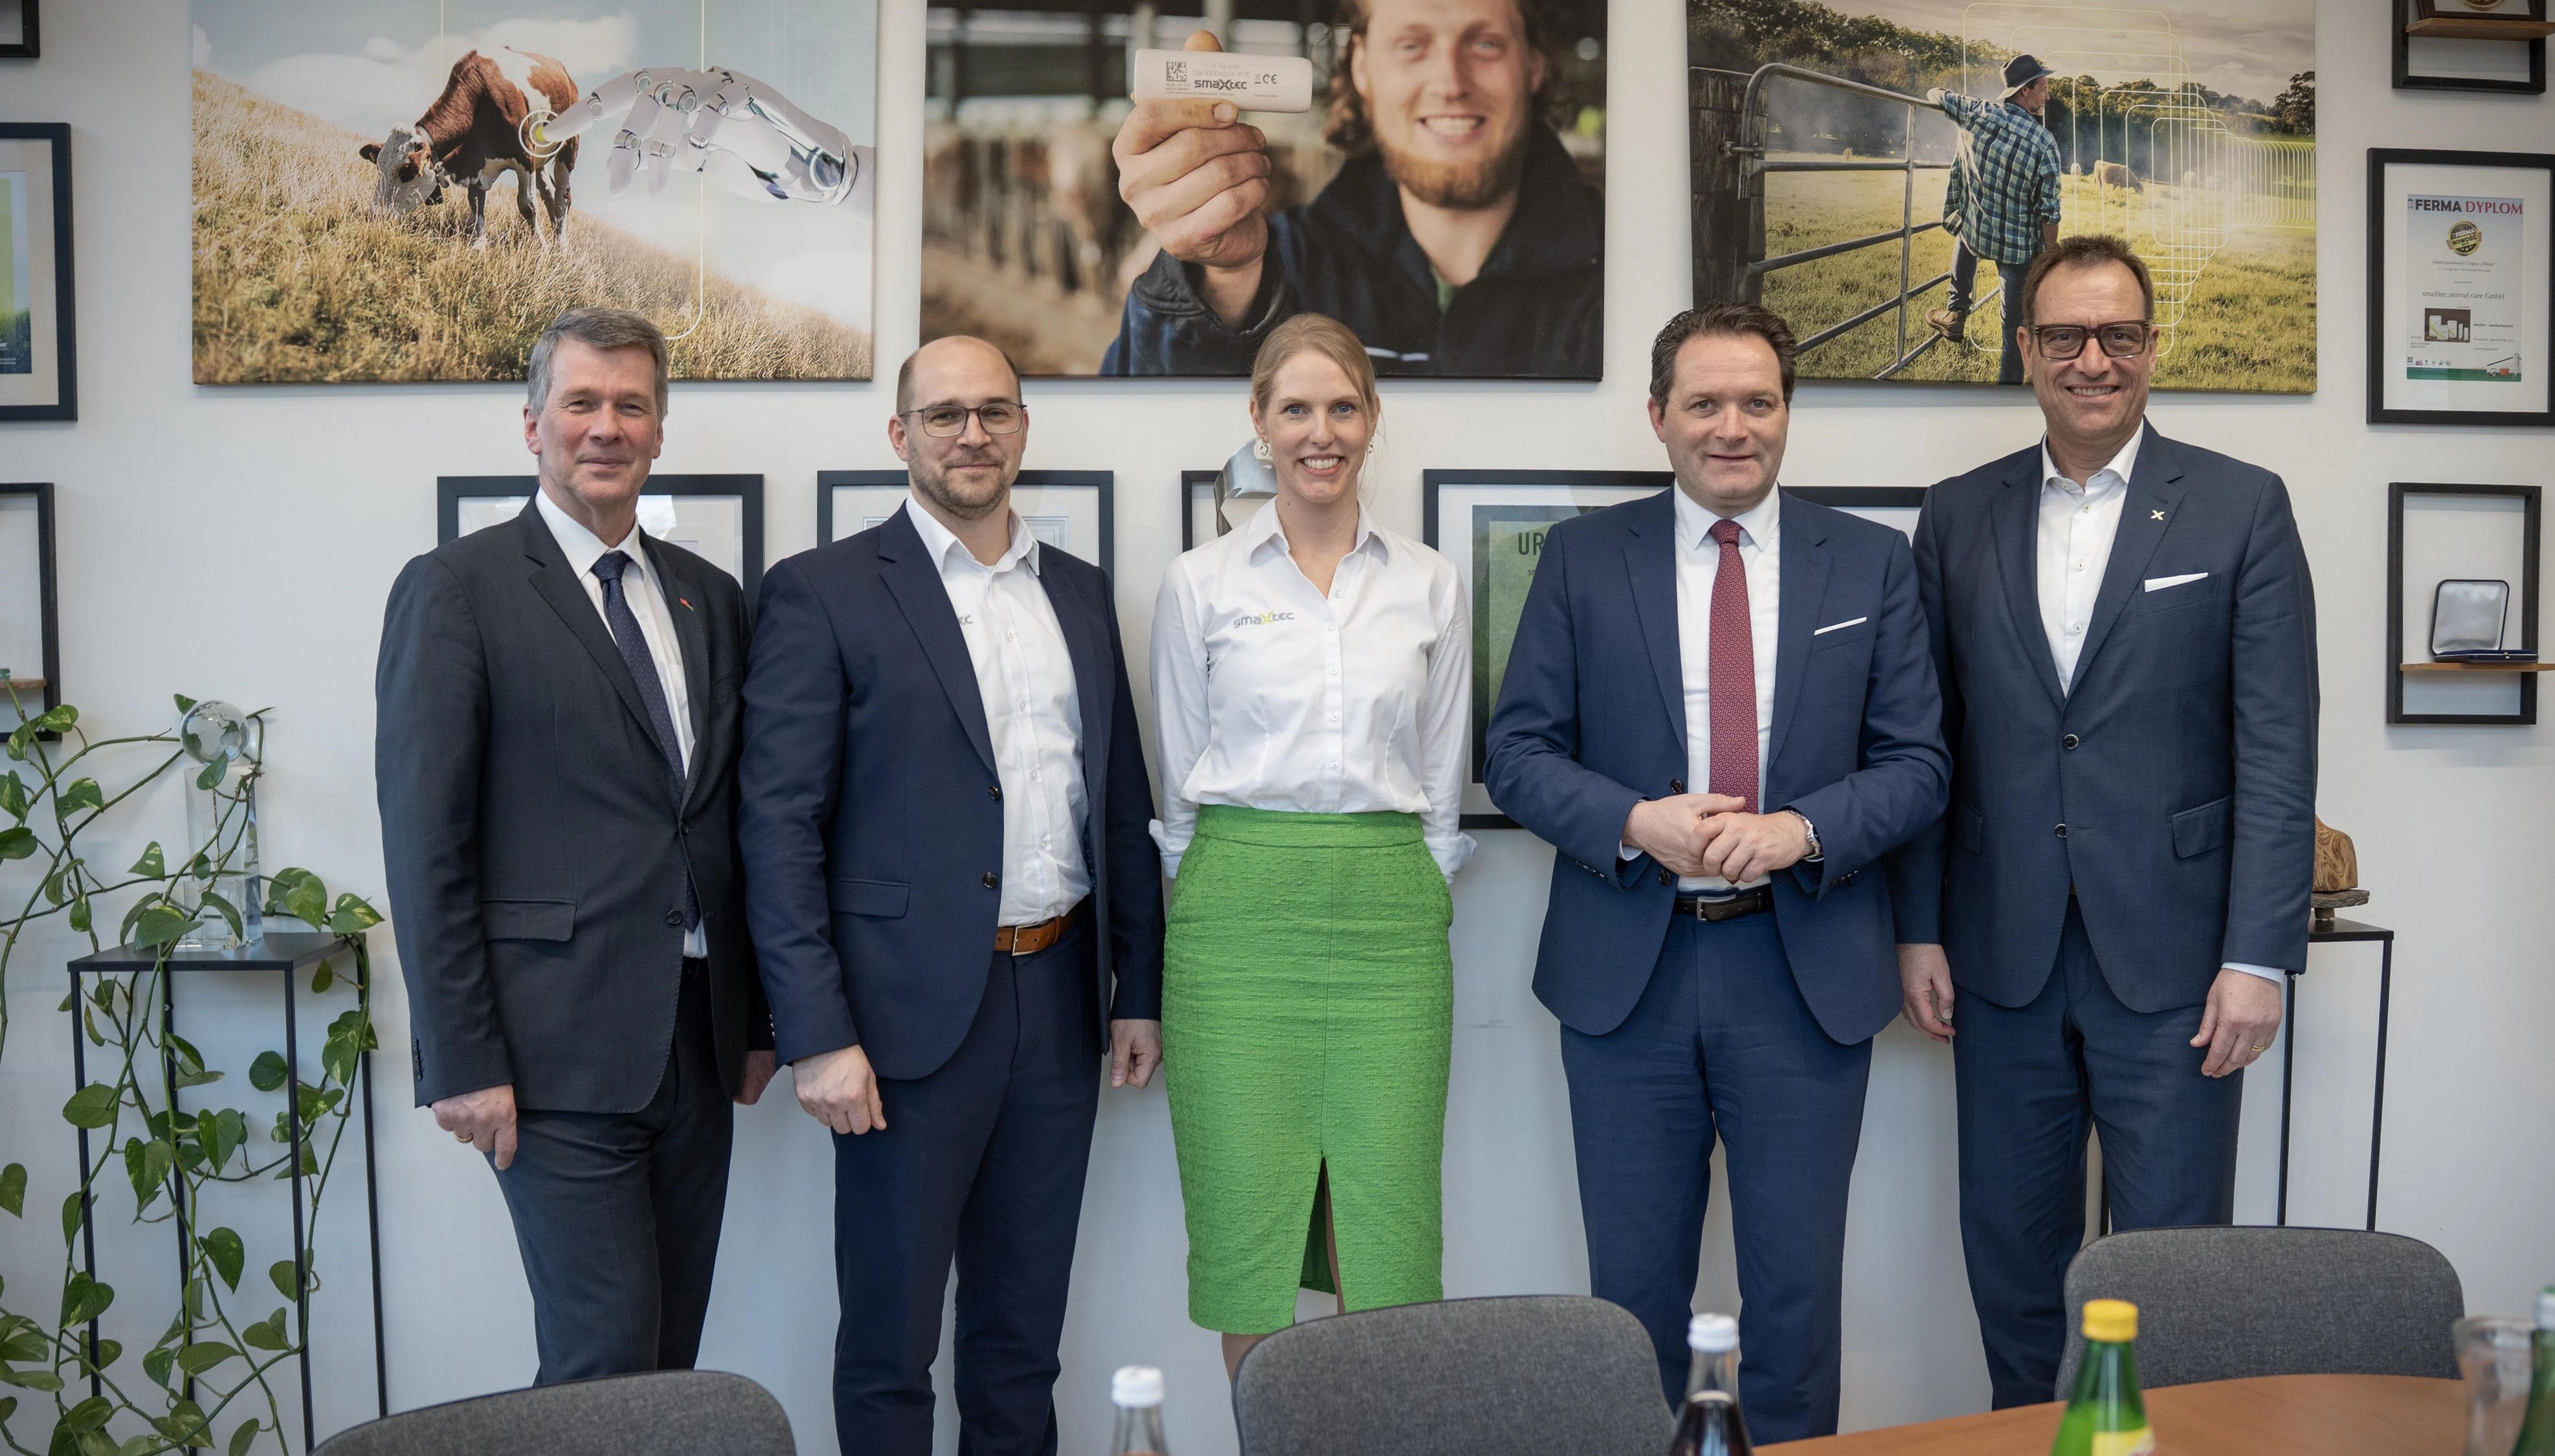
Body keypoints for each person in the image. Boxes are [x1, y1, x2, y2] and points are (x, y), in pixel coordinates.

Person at [1484, 302, 1948, 1440]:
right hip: (1627, 974)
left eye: (1757, 402)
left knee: (1794, 1304)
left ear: (1789, 414)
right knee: (1632, 1305)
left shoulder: (1875, 565)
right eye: (1704, 403)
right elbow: (1516, 753)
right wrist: (1637, 820)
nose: (1731, 427)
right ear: (1659, 417)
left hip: (1802, 973)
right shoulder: (1585, 558)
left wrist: (1804, 832)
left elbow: (1921, 764)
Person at [1891, 234, 2317, 1409]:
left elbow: (2279, 747)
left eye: (2119, 335)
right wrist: (1918, 932)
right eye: (2067, 336)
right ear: (2025, 349)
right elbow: (1935, 747)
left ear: (2151, 348)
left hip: (2182, 965)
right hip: (2002, 955)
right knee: (2015, 1270)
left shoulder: (2243, 509)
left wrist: (2256, 958)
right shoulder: (1958, 514)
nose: (2094, 360)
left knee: (2174, 1277)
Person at [736, 335, 1166, 1455]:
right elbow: (777, 831)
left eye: (993, 413)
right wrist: (817, 1034)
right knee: (890, 1345)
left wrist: (1138, 988)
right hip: (899, 1024)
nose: (971, 435)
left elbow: (1117, 799)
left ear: (1024, 429)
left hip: (1060, 998)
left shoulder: (1077, 593)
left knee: (1023, 1340)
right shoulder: (823, 593)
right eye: (944, 416)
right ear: (901, 437)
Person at [375, 307, 777, 1383]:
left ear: (659, 430)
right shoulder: (457, 589)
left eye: (631, 406)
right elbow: (427, 845)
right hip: (549, 1053)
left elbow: (732, 823)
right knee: (602, 1363)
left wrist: (759, 1021)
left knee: (669, 1363)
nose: (607, 427)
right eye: (582, 403)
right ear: (532, 426)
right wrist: (461, 1060)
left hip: (696, 1040)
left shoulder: (712, 599)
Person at [1148, 313, 1475, 1378]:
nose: (1319, 431)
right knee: (1251, 1237)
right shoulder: (1202, 584)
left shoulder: (1428, 580)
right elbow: (1182, 787)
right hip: (1236, 931)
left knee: (1387, 1239)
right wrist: (1208, 896)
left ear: (1372, 421)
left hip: (1389, 932)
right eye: (1296, 408)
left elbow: (1438, 777)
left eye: (1341, 407)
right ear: (1259, 421)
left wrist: (1416, 881)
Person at [1102, 0, 1601, 378]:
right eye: (1412, 45)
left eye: (1486, 43)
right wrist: (1215, 282)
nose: (1450, 82)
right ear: (1360, 66)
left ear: (1534, 67)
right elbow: (1140, 444)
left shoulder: (1625, 270)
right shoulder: (1279, 264)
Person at [1924, 54, 2063, 385]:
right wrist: (2049, 256)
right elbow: (2049, 211)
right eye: (2043, 88)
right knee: (2014, 328)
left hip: (1977, 232)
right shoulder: (2044, 142)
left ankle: (1956, 311)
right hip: (2018, 249)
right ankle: (2009, 388)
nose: (2047, 96)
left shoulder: (1977, 111)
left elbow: (1935, 94)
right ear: (2025, 91)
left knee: (1965, 228)